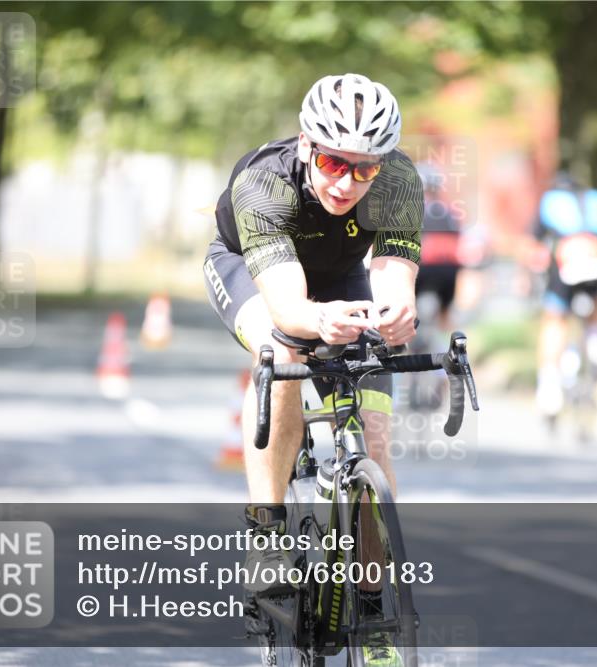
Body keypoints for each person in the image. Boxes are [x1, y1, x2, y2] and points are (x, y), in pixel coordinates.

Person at [203, 73, 422, 666]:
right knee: (281, 352)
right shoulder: (263, 185)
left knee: (375, 439)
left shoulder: (398, 181)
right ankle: (268, 534)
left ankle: (376, 614)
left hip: (341, 276)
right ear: (306, 145)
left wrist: (399, 312)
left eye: (365, 168)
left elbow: (394, 274)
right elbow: (291, 308)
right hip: (256, 274)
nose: (347, 181)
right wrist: (315, 322)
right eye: (333, 161)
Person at [528, 172, 597, 418]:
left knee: (555, 319)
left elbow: (536, 240)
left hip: (567, 261)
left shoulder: (550, 200)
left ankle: (550, 388)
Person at [414, 162, 462, 335]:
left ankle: (401, 341)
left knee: (404, 301)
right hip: (449, 268)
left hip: (421, 265)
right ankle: (447, 340)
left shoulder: (412, 209)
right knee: (446, 312)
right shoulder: (449, 212)